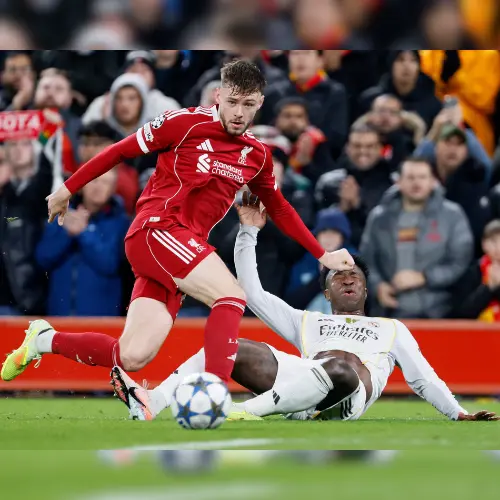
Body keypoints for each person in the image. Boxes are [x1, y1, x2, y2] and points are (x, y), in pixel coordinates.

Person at [1, 60, 353, 388]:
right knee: (231, 295)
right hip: (157, 230)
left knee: (132, 356)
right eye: (232, 102)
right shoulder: (183, 123)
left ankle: (44, 339)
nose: (239, 112)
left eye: (248, 104)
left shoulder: (257, 156)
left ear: (259, 103)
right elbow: (119, 150)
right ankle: (214, 392)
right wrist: (67, 188)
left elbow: (281, 209)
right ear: (218, 96)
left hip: (180, 252)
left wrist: (323, 255)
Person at [109, 193, 498, 423]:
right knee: (231, 345)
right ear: (326, 293)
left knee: (341, 367)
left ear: (366, 289)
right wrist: (248, 230)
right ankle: (152, 402)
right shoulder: (308, 321)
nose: (347, 279)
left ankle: (244, 411)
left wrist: (457, 412)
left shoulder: (391, 328)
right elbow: (253, 293)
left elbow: (422, 378)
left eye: (354, 276)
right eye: (338, 276)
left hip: (345, 398)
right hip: (299, 391)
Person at [360, 157, 473, 319]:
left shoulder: (453, 215)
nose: (416, 183)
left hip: (441, 312)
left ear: (433, 181)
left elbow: (460, 262)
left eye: (422, 177)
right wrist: (378, 287)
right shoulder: (379, 218)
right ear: (398, 181)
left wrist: (424, 277)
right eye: (411, 177)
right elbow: (366, 261)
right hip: (390, 315)